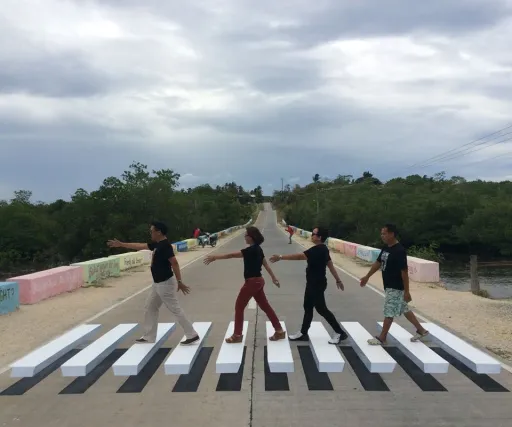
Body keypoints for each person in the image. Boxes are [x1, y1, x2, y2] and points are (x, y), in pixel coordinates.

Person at [107, 221, 200, 345]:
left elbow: (174, 263)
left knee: (175, 309)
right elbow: (141, 246)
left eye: (152, 231)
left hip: (165, 283)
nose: (150, 233)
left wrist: (179, 281)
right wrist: (121, 244)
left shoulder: (165, 246)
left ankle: (191, 334)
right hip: (157, 283)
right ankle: (149, 336)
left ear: (159, 232)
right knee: (150, 307)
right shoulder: (157, 244)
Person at [203, 226, 286, 343]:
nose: (244, 237)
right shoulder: (258, 249)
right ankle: (279, 331)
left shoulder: (249, 251)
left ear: (251, 237)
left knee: (239, 307)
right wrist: (273, 278)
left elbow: (230, 255)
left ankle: (237, 335)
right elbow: (265, 265)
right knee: (265, 307)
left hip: (252, 282)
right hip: (259, 281)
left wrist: (215, 257)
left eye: (246, 235)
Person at [270, 227, 348, 344]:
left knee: (322, 309)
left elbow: (300, 256)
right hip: (312, 283)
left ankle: (340, 333)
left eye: (314, 234)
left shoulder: (318, 249)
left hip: (317, 284)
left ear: (319, 237)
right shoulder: (323, 249)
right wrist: (338, 280)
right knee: (307, 307)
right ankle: (303, 333)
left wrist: (280, 257)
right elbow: (330, 264)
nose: (312, 235)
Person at [359, 223, 429, 345]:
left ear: (392, 234)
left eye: (384, 233)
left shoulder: (399, 251)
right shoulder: (386, 248)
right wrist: (367, 276)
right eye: (381, 234)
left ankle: (382, 337)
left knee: (389, 312)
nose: (382, 236)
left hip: (395, 286)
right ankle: (421, 330)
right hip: (388, 285)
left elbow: (404, 272)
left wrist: (407, 291)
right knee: (404, 308)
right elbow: (378, 263)